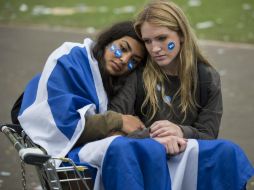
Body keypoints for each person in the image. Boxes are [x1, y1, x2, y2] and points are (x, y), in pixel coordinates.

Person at [16, 20, 147, 167]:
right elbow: (62, 122)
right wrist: (118, 121)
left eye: (133, 61)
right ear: (108, 40)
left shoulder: (119, 82)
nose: (124, 59)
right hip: (64, 153)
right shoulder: (72, 57)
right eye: (122, 48)